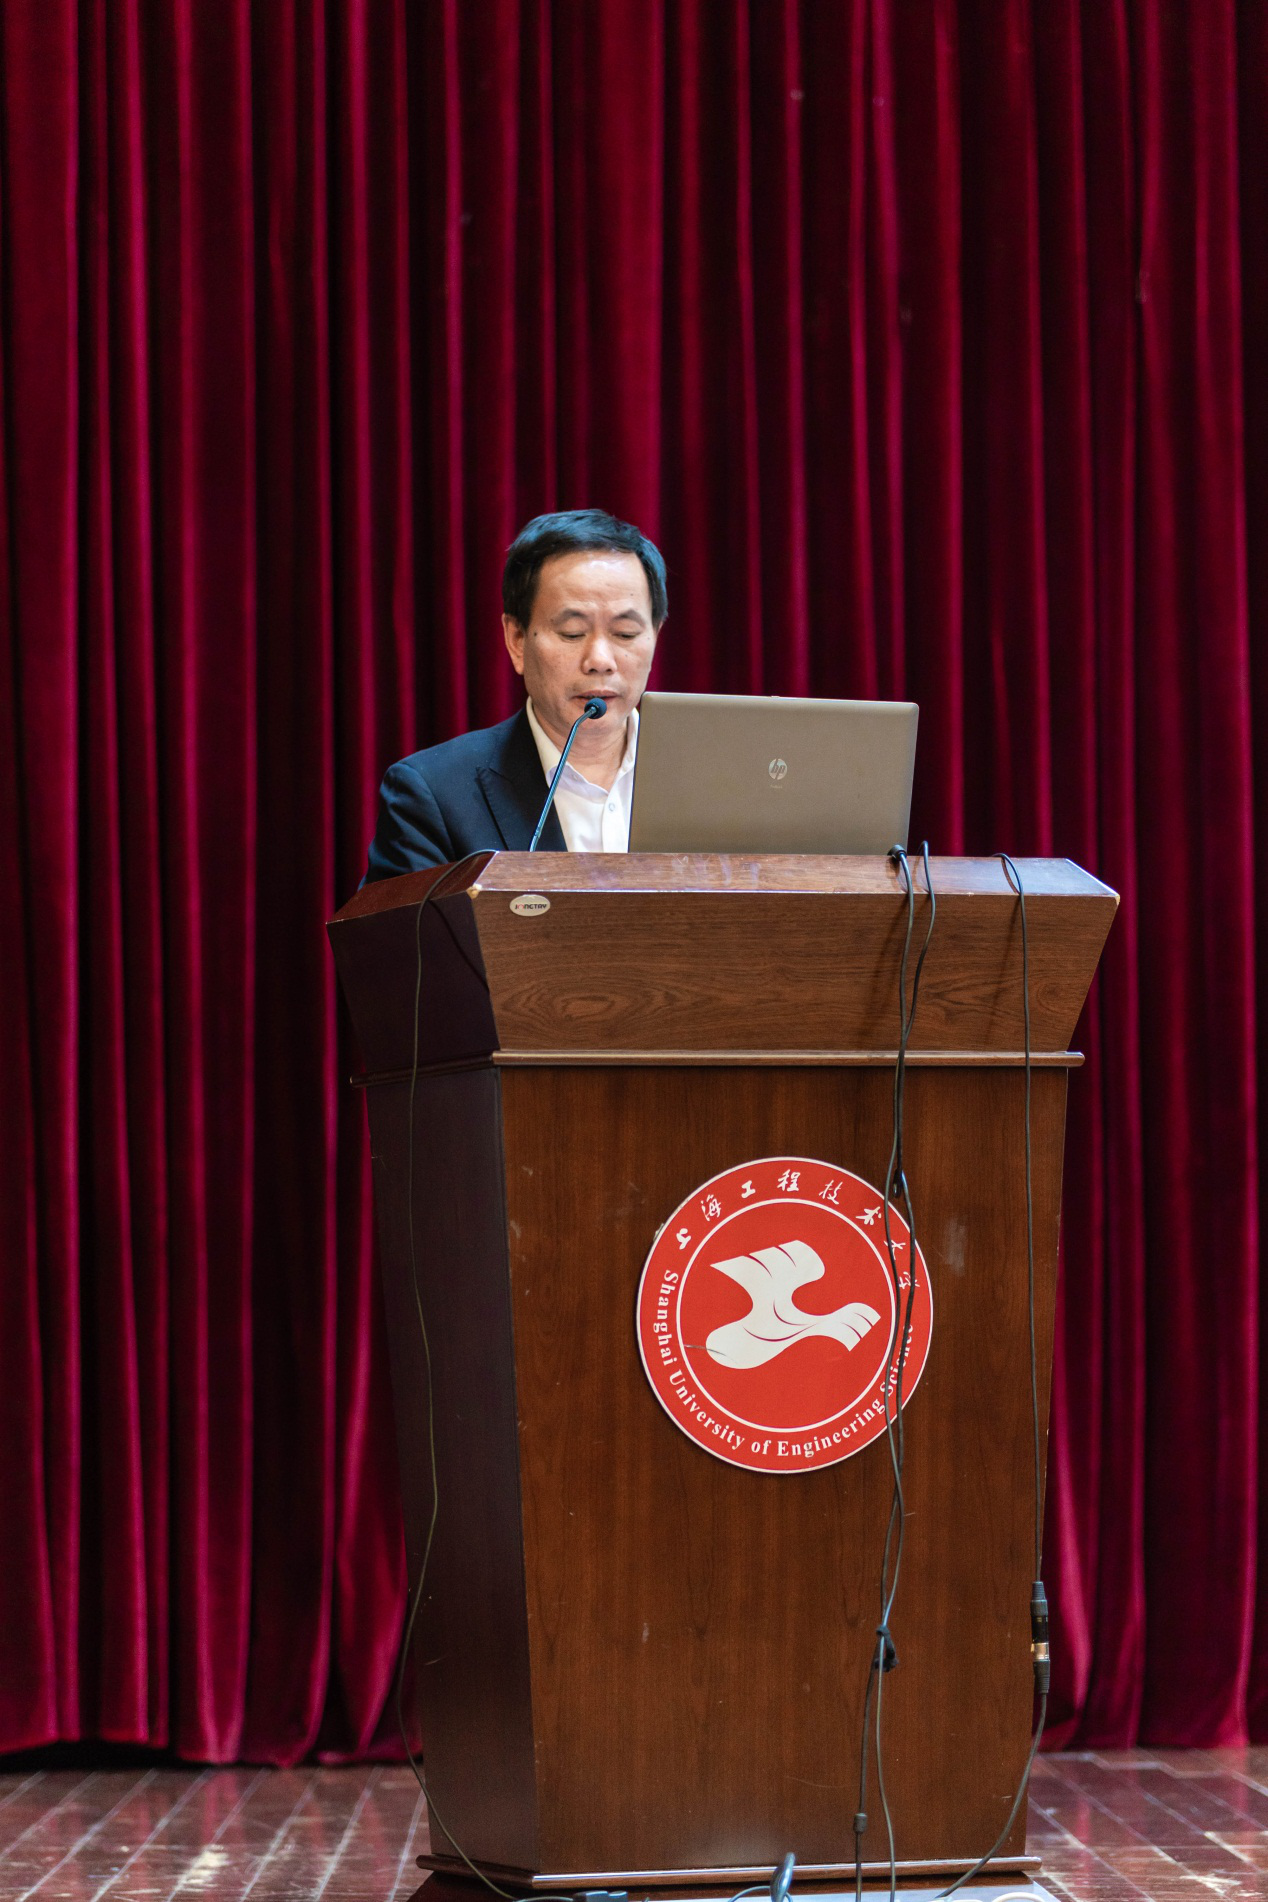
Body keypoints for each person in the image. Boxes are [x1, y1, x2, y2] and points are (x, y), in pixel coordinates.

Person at [363, 509, 668, 881]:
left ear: (655, 635)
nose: (600, 661)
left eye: (625, 634)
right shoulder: (434, 795)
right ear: (517, 640)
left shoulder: (714, 779)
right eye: (572, 633)